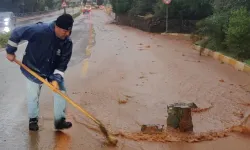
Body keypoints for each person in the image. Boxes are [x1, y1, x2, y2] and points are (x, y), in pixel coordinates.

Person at [5, 13, 74, 131]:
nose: (67, 34)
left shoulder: (67, 42)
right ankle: (33, 119)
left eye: (69, 31)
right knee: (33, 95)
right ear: (57, 27)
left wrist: (56, 79)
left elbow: (62, 64)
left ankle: (59, 121)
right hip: (33, 68)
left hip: (52, 70)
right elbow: (17, 32)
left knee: (61, 92)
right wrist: (10, 51)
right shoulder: (39, 30)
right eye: (65, 31)